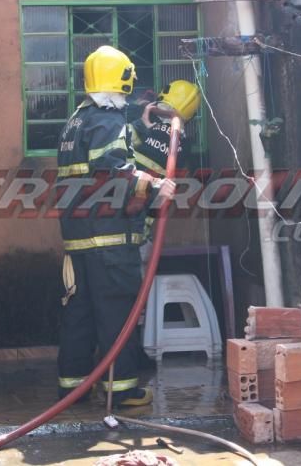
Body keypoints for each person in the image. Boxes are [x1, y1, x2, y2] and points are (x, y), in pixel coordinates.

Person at [56, 45, 175, 407]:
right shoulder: (106, 120)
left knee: (80, 314)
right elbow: (114, 170)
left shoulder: (77, 120)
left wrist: (143, 126)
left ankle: (73, 387)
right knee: (116, 312)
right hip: (107, 239)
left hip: (78, 241)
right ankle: (121, 389)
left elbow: (110, 152)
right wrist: (156, 186)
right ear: (122, 80)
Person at [130, 80, 200, 263]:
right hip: (143, 223)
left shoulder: (149, 129)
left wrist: (141, 120)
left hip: (125, 210)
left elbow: (121, 139)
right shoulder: (182, 144)